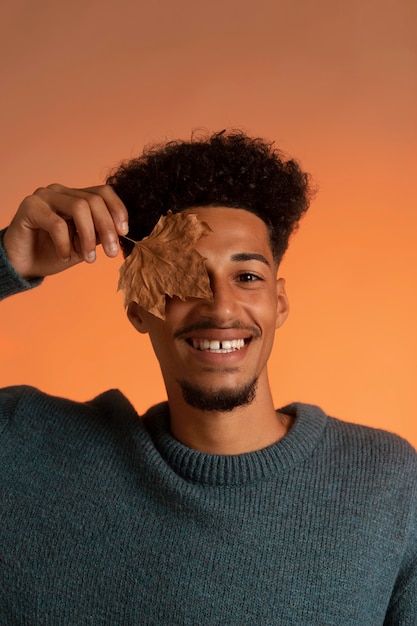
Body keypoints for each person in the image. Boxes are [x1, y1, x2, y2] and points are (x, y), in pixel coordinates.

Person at [0, 130, 416, 624]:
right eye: (182, 279)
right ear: (137, 308)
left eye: (246, 277)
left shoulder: (388, 483)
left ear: (278, 303)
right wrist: (5, 259)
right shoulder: (22, 448)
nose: (220, 306)